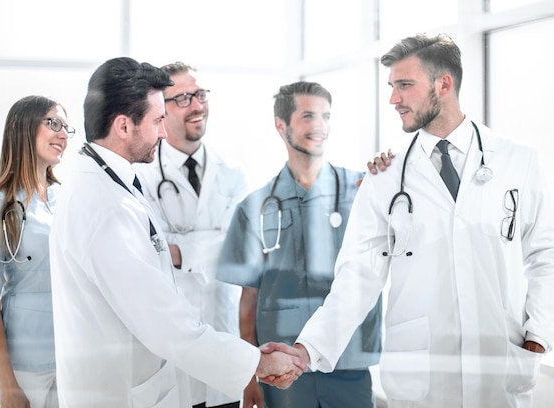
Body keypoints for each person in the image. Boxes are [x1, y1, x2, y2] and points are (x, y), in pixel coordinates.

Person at [293, 33, 554, 407]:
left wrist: (538, 334)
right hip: (419, 379)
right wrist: (308, 349)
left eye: (404, 85)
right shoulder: (384, 175)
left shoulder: (517, 160)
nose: (393, 99)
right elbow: (358, 277)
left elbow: (548, 254)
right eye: (391, 86)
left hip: (500, 369)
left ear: (444, 84)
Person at [48, 57, 304, 408]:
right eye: (157, 121)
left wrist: (183, 251)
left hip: (165, 367)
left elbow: (244, 250)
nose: (164, 133)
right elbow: (163, 322)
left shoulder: (109, 183)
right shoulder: (105, 206)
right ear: (124, 126)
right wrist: (257, 362)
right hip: (122, 390)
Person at [217, 81, 383, 408]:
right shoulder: (254, 208)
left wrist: (387, 170)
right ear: (281, 126)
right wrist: (249, 377)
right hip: (283, 372)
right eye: (308, 116)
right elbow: (248, 301)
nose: (320, 126)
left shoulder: (363, 191)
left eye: (326, 116)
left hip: (348, 364)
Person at [134, 62, 249, 408]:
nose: (197, 105)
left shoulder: (233, 174)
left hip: (223, 340)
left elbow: (241, 250)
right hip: (170, 347)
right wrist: (212, 242)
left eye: (200, 94)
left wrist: (181, 253)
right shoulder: (142, 175)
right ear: (160, 110)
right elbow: (146, 253)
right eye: (182, 98)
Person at [0, 95, 73, 407]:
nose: (63, 134)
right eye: (53, 123)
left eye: (67, 128)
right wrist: (7, 383)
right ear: (19, 128)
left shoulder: (67, 198)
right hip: (22, 366)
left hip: (70, 358)